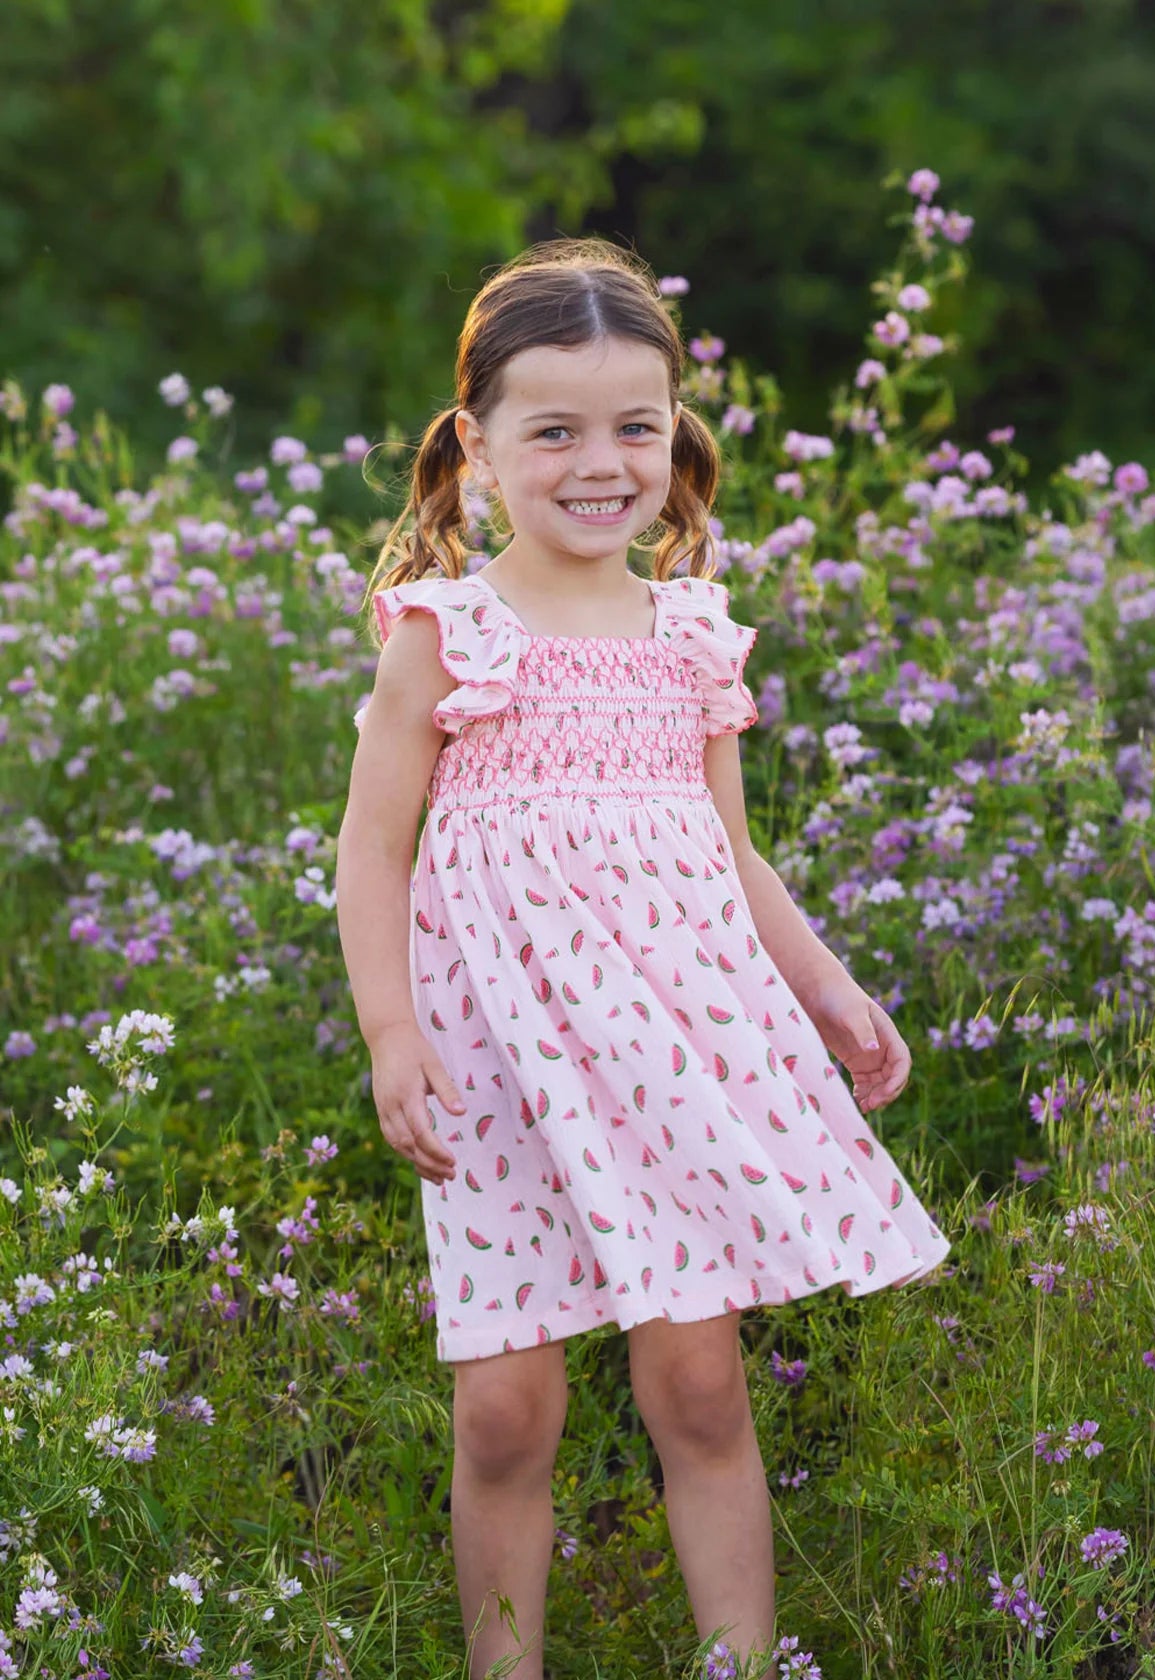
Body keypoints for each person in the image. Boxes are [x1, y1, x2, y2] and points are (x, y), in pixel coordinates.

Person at [336, 235, 951, 1680]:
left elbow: (730, 852)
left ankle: (738, 1665)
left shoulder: (691, 635)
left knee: (698, 1383)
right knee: (503, 1410)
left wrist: (828, 989)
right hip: (493, 1062)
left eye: (636, 426)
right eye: (554, 430)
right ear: (477, 448)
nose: (600, 462)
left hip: (676, 1046)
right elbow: (372, 848)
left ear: (675, 433)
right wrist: (390, 1036)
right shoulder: (449, 633)